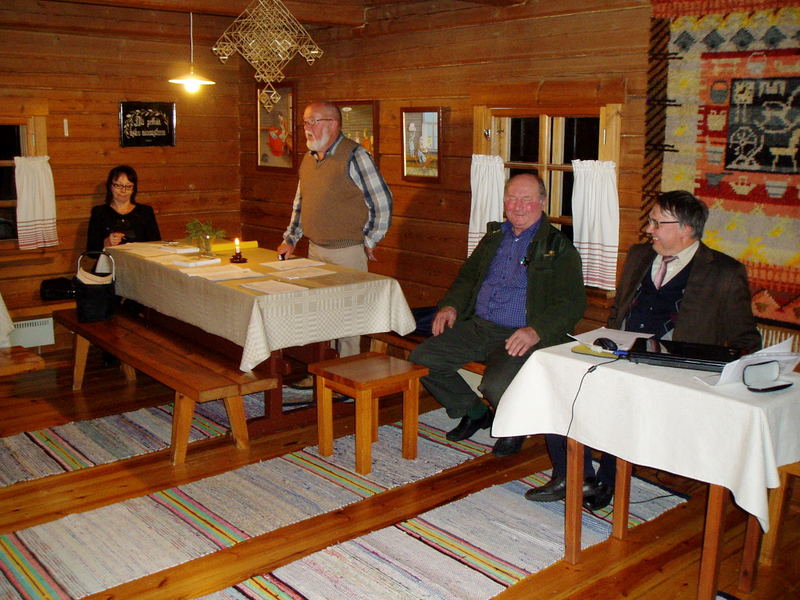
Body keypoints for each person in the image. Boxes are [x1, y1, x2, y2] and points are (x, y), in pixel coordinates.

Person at [526, 189, 761, 510]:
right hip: (619, 355)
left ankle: (607, 479)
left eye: (657, 223)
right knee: (557, 383)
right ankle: (575, 474)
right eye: (650, 221)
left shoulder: (724, 272)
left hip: (671, 373)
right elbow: (619, 311)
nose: (649, 229)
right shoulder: (639, 255)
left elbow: (745, 340)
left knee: (623, 402)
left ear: (686, 229)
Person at [409, 174, 586, 457]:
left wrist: (536, 330)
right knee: (423, 358)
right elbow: (468, 278)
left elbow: (571, 303)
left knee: (495, 384)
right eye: (511, 198)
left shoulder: (558, 247)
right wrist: (451, 305)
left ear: (542, 202)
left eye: (526, 199)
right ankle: (475, 412)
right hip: (480, 325)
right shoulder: (494, 237)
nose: (518, 206)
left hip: (521, 334)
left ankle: (514, 428)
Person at [277, 101, 392, 359]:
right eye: (305, 122)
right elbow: (301, 203)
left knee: (348, 318)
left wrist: (371, 239)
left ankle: (349, 374)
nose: (307, 128)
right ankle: (323, 371)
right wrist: (291, 239)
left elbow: (382, 201)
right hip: (316, 250)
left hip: (347, 252)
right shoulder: (308, 159)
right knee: (320, 315)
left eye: (314, 122)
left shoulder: (355, 156)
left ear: (333, 124)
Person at [87, 165, 160, 252]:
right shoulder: (99, 212)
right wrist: (106, 242)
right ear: (110, 186)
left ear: (133, 189)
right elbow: (91, 251)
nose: (123, 191)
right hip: (111, 260)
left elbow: (156, 245)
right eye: (118, 185)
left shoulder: (145, 212)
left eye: (128, 186)